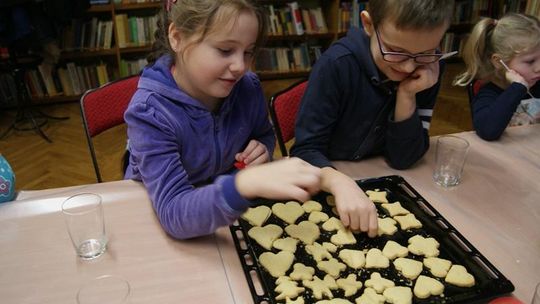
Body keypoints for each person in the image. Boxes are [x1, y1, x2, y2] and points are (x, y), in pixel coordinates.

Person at [124, 0, 321, 240]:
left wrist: (262, 148)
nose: (240, 67)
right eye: (225, 50)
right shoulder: (149, 114)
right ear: (177, 37)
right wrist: (243, 184)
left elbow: (263, 133)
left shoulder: (247, 88)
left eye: (248, 52)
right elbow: (173, 212)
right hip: (162, 225)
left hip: (226, 215)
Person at [290, 0, 455, 237]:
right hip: (329, 179)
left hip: (378, 178)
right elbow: (304, 150)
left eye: (426, 52)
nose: (409, 67)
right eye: (396, 51)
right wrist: (337, 181)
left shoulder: (429, 69)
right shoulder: (336, 65)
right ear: (368, 24)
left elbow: (404, 158)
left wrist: (407, 95)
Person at [454, 13, 540, 141]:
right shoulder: (488, 94)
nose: (539, 67)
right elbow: (487, 131)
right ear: (499, 61)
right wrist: (517, 88)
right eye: (530, 61)